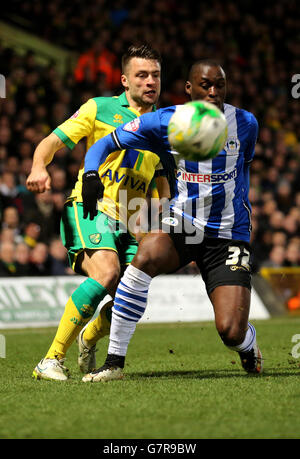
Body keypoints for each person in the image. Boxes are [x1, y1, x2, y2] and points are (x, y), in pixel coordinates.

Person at [80, 59, 263, 383]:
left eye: (219, 85)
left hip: (228, 234)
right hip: (183, 224)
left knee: (229, 331)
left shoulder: (245, 123)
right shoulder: (164, 122)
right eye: (205, 85)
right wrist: (92, 173)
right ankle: (114, 362)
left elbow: (244, 171)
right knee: (144, 258)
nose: (213, 92)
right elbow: (104, 144)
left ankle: (247, 344)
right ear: (189, 89)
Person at [26, 44, 171, 381]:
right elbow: (50, 142)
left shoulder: (163, 127)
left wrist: (162, 221)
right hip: (90, 207)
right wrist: (38, 167)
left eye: (156, 75)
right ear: (124, 80)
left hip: (131, 221)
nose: (151, 82)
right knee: (106, 273)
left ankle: (89, 337)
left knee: (133, 297)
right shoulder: (99, 108)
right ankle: (50, 359)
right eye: (142, 75)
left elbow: (161, 185)